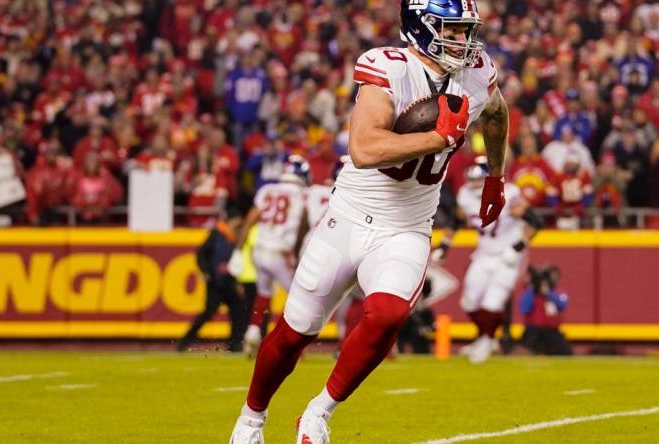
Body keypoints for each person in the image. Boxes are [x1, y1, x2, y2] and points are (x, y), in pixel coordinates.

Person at [229, 1, 509, 442]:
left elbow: (495, 114)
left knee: (389, 313)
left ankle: (319, 412)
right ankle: (250, 420)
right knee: (294, 332)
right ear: (422, 27)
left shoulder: (477, 70)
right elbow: (364, 147)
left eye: (466, 30)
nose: (464, 41)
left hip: (408, 226)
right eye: (452, 30)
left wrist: (496, 175)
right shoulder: (389, 67)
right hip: (350, 217)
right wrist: (437, 138)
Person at [432, 156, 541, 363]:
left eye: (479, 179)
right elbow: (457, 220)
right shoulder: (465, 195)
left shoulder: (509, 193)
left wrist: (518, 247)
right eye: (471, 180)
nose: (474, 185)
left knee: (492, 303)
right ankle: (486, 339)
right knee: (469, 301)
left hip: (506, 255)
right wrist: (444, 247)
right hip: (483, 253)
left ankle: (487, 341)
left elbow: (536, 222)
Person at [229, 155, 310, 356]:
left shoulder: (267, 190)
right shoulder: (302, 194)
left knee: (263, 293)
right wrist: (299, 250)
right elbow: (303, 226)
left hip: (259, 250)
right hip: (280, 252)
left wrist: (237, 251)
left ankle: (253, 332)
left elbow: (250, 220)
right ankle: (287, 341)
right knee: (300, 298)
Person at [177, 208, 246, 352]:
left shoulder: (237, 236)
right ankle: (184, 342)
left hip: (230, 282)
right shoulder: (217, 234)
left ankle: (234, 345)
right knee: (208, 312)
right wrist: (207, 272)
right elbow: (201, 254)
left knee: (237, 313)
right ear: (231, 221)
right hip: (215, 283)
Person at [518, 265, 572, 356]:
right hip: (533, 331)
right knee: (525, 353)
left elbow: (562, 305)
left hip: (552, 332)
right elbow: (524, 308)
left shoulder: (558, 292)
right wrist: (532, 289)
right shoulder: (531, 292)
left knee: (566, 354)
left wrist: (548, 293)